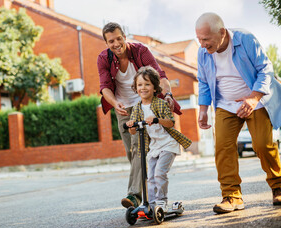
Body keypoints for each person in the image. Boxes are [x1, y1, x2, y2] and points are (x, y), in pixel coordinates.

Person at [195, 12, 281, 214]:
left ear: (222, 32)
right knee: (223, 148)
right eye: (199, 39)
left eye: (206, 39)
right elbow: (204, 82)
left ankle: (278, 186)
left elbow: (265, 69)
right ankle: (231, 196)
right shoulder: (203, 53)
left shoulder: (245, 40)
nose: (202, 45)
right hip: (225, 104)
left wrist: (253, 98)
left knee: (262, 144)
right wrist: (203, 109)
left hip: (255, 100)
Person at [97, 22, 176, 208]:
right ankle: (149, 194)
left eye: (118, 38)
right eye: (111, 41)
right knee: (132, 153)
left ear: (124, 36)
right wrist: (115, 103)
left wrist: (169, 94)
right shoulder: (103, 58)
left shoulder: (140, 51)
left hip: (144, 104)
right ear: (106, 43)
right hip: (123, 108)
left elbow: (160, 75)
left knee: (139, 148)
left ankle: (134, 195)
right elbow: (104, 87)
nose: (116, 43)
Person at [126, 66, 192, 212]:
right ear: (136, 88)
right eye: (140, 85)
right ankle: (150, 204)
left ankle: (161, 201)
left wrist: (156, 119)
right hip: (154, 146)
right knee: (150, 176)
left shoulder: (160, 103)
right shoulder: (137, 108)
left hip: (168, 144)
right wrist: (131, 125)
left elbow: (171, 122)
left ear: (155, 88)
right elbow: (132, 132)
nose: (143, 88)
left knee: (159, 173)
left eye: (147, 84)